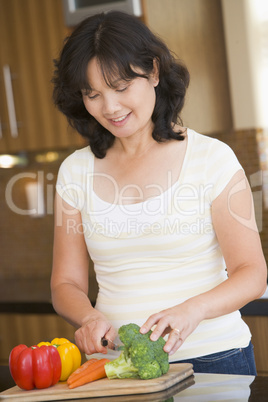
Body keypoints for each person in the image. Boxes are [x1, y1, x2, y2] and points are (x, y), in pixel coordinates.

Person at [51, 10, 267, 375]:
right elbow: (65, 282)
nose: (110, 108)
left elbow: (251, 273)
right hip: (117, 366)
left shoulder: (211, 159)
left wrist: (192, 310)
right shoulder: (75, 171)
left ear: (152, 71)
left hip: (214, 357)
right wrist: (88, 317)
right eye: (93, 94)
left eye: (120, 87)